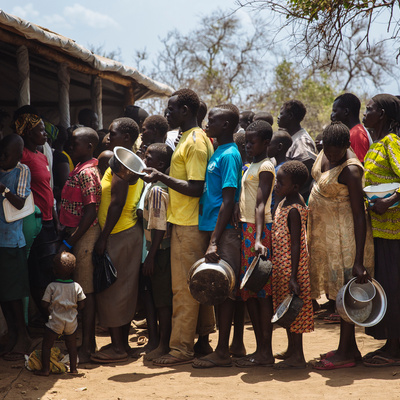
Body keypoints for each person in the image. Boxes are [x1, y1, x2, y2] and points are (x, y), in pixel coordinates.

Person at [143, 89, 215, 366]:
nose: (167, 113)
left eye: (171, 109)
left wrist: (161, 176)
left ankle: (181, 349)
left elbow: (196, 188)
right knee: (198, 286)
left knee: (183, 291)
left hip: (189, 224)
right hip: (186, 221)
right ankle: (201, 341)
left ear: (186, 110)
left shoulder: (195, 142)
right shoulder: (188, 139)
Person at [307, 122, 374, 370]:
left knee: (345, 294)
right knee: (337, 293)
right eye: (328, 151)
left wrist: (358, 260)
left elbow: (359, 215)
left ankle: (345, 352)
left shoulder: (352, 171)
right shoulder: (325, 152)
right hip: (328, 240)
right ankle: (350, 348)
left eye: (337, 152)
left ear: (347, 146)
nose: (332, 156)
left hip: (346, 242)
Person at [192, 104, 242, 368]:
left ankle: (222, 352)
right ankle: (230, 346)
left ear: (226, 126)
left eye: (212, 119)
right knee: (220, 289)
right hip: (213, 229)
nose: (206, 122)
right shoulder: (217, 151)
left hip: (223, 232)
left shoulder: (230, 155)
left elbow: (228, 199)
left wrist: (214, 240)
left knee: (225, 290)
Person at [91, 117, 144, 364]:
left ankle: (118, 347)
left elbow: (116, 203)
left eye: (112, 134)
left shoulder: (122, 167)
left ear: (126, 138)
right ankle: (122, 344)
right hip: (126, 232)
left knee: (112, 291)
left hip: (117, 233)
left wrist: (103, 238)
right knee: (123, 290)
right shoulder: (128, 163)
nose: (108, 137)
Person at [361, 94, 400, 367]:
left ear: (383, 114)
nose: (366, 112)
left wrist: (388, 201)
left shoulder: (392, 143)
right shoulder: (375, 145)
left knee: (394, 289)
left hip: (395, 231)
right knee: (386, 288)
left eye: (370, 109)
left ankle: (395, 350)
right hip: (379, 231)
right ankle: (391, 343)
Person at [58, 127, 102, 364]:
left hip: (84, 235)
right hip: (77, 233)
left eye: (75, 144)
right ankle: (87, 342)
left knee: (86, 291)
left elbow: (90, 211)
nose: (71, 147)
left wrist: (70, 241)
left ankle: (87, 346)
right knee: (82, 290)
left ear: (89, 147)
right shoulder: (79, 169)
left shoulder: (87, 173)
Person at [235, 120, 275, 367]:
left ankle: (265, 351)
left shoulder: (267, 167)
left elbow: (261, 204)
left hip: (257, 231)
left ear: (266, 143)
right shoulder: (251, 165)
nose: (248, 145)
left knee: (262, 293)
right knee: (249, 291)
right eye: (246, 141)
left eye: (252, 141)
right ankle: (260, 349)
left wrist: (258, 238)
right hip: (246, 229)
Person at [15, 108, 60, 316]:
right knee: (39, 272)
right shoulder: (21, 155)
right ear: (27, 133)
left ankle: (50, 317)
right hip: (35, 220)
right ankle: (47, 319)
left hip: (50, 220)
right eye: (40, 130)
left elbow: (47, 188)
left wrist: (56, 217)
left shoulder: (40, 155)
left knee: (50, 269)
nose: (45, 134)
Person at [272, 161, 314, 369]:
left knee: (295, 312)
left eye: (281, 182)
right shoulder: (283, 202)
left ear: (296, 187)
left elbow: (297, 243)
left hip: (292, 269)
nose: (276, 184)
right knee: (287, 310)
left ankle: (298, 355)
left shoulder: (295, 209)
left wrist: (293, 276)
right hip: (283, 267)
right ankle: (291, 350)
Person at [0, 134, 32, 361]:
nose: (2, 158)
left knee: (13, 295)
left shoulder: (22, 172)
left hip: (11, 241)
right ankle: (12, 337)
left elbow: (20, 201)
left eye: (7, 155)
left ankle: (23, 337)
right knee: (3, 295)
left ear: (19, 155)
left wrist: (3, 189)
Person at [141, 143, 174, 361]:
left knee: (163, 301)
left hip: (160, 251)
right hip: (159, 250)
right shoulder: (161, 186)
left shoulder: (157, 189)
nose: (144, 162)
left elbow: (160, 227)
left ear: (160, 165)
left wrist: (151, 257)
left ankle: (164, 344)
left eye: (148, 159)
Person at [35, 252, 85, 376]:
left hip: (55, 321)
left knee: (47, 345)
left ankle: (45, 369)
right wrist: (75, 311)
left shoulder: (51, 286)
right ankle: (73, 369)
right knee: (72, 347)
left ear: (54, 271)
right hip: (71, 322)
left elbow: (44, 304)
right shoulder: (76, 286)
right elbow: (82, 303)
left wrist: (48, 311)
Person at [277, 100, 317, 201]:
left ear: (290, 116)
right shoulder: (291, 137)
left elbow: (305, 173)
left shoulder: (301, 141)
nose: (278, 117)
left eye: (281, 114)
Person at [331, 93, 372, 162]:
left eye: (335, 111)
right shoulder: (353, 132)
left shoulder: (357, 134)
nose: (332, 115)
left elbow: (359, 167)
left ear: (346, 112)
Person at [267, 129, 293, 215]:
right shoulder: (276, 167)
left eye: (269, 145)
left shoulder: (282, 170)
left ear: (279, 147)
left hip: (275, 214)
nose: (266, 147)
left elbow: (279, 200)